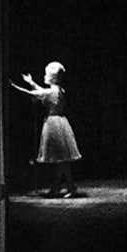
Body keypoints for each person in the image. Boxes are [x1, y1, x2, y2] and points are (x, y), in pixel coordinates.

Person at [11, 61, 81, 197]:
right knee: (63, 160)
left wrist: (13, 87)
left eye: (46, 74)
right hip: (60, 122)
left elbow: (33, 94)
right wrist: (31, 82)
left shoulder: (50, 91)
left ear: (52, 78)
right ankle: (65, 186)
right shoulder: (58, 89)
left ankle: (64, 187)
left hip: (54, 125)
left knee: (62, 160)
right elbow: (41, 91)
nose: (44, 76)